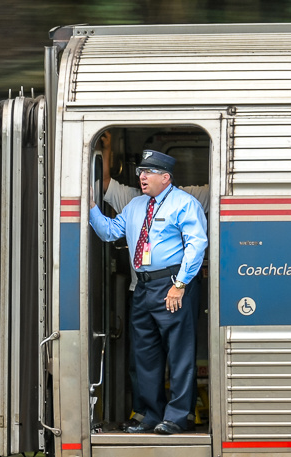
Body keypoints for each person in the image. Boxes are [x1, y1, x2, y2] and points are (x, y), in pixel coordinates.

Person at [89, 149, 208, 435]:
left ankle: (178, 417)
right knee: (145, 354)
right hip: (142, 287)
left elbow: (196, 245)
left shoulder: (184, 203)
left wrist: (180, 285)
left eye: (148, 172)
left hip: (172, 284)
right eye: (140, 172)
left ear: (165, 177)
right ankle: (152, 415)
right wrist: (90, 206)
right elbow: (109, 232)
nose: (142, 177)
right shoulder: (136, 205)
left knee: (179, 353)